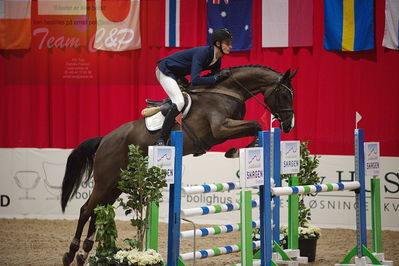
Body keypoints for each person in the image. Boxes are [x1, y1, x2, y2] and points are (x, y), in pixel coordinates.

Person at [154, 28, 233, 145]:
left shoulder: (217, 60)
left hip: (179, 76)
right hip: (165, 70)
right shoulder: (203, 53)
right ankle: (161, 139)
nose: (230, 46)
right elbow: (195, 80)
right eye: (227, 43)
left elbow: (213, 80)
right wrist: (217, 78)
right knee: (179, 102)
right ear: (218, 44)